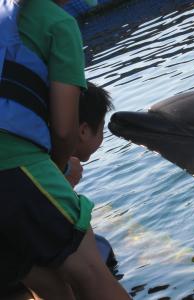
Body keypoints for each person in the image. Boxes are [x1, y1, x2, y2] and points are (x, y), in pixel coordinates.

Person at [0, 0, 129, 299]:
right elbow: (64, 128)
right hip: (12, 162)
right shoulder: (57, 23)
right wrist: (59, 170)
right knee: (91, 272)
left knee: (46, 283)